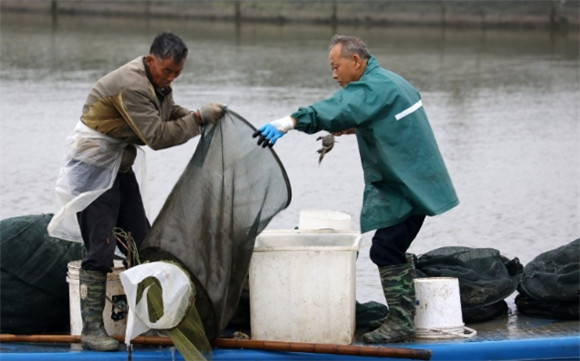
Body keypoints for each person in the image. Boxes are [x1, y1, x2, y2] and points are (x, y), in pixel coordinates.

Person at [253, 35, 458, 343]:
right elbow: (384, 116)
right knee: (391, 247)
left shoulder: (372, 87)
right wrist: (355, 126)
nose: (334, 75)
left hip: (409, 187)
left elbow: (338, 106)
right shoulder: (391, 81)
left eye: (337, 67)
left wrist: (290, 121)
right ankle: (406, 314)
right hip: (417, 182)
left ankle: (401, 323)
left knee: (384, 249)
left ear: (356, 62)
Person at [47, 32, 225, 351]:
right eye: (167, 71)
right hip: (93, 168)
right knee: (100, 248)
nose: (171, 78)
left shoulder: (157, 83)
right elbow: (156, 136)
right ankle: (91, 330)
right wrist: (198, 120)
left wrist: (195, 115)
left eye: (177, 73)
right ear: (151, 60)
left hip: (117, 164)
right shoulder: (132, 85)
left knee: (139, 241)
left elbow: (167, 113)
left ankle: (151, 321)